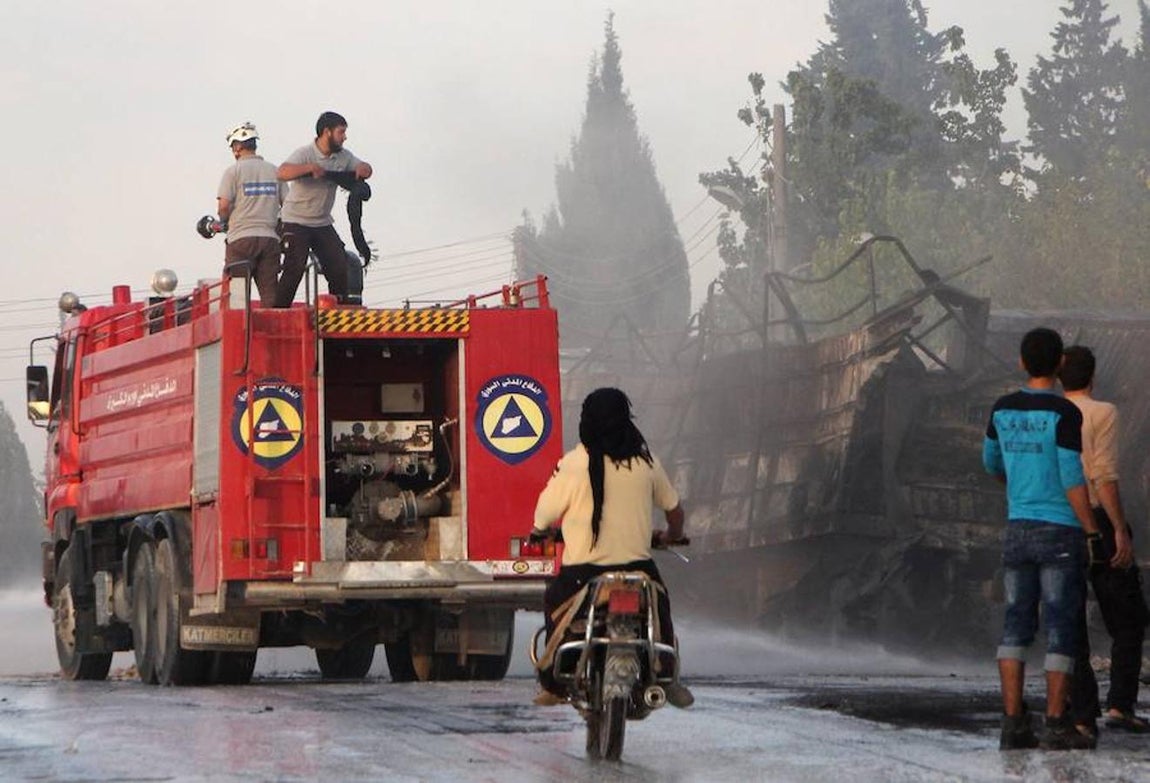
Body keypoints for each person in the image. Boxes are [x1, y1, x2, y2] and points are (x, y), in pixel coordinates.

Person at [530, 387, 693, 708]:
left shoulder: (573, 463)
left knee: (553, 603)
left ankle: (553, 684)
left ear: (586, 421)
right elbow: (674, 510)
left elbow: (544, 516)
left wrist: (539, 533)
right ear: (626, 419)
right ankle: (667, 675)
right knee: (660, 607)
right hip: (638, 570)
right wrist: (673, 534)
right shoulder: (646, 462)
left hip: (582, 575)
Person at [983, 327, 1102, 751]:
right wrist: (1091, 527)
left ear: (1021, 361)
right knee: (1061, 629)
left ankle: (1013, 722)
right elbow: (1072, 476)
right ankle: (1055, 723)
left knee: (1015, 625)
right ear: (1059, 365)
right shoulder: (1065, 413)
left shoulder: (1002, 409)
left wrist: (1017, 483)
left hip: (1018, 528)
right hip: (1060, 533)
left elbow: (990, 461)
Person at [1060, 346, 1144, 738]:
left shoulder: (1049, 413)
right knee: (1128, 620)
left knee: (1071, 619)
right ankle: (1120, 705)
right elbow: (1104, 476)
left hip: (1060, 522)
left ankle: (1083, 709)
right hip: (1095, 517)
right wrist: (1119, 529)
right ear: (1092, 377)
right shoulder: (1103, 412)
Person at [275, 111, 372, 307]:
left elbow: (366, 168)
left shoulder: (343, 157)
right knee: (295, 266)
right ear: (327, 132)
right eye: (341, 132)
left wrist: (362, 169)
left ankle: (340, 312)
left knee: (338, 265)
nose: (345, 137)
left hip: (322, 222)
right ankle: (279, 311)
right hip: (295, 220)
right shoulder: (305, 153)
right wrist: (309, 169)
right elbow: (282, 172)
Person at [216, 122, 285, 308]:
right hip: (270, 240)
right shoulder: (275, 171)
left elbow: (223, 206)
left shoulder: (233, 172)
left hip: (240, 240)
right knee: (270, 296)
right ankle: (273, 333)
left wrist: (224, 222)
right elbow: (288, 205)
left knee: (237, 299)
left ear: (237, 146)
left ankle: (241, 334)